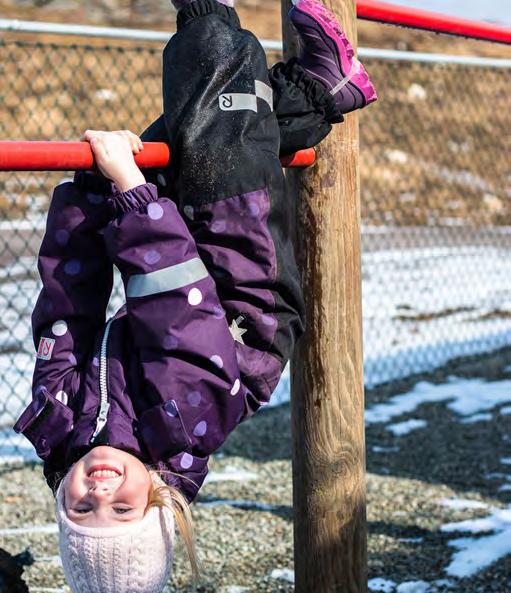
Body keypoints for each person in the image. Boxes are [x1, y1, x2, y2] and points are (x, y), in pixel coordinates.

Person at [13, 0, 376, 591]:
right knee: (212, 132)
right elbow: (173, 308)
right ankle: (209, 12)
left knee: (193, 133)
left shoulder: (59, 421)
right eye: (122, 511)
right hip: (242, 296)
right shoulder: (184, 429)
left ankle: (320, 88)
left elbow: (66, 308)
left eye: (82, 511)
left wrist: (92, 194)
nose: (100, 493)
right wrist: (129, 195)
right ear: (161, 504)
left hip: (177, 264)